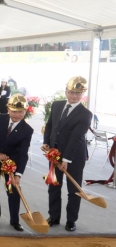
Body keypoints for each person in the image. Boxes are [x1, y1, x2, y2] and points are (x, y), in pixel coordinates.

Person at [43, 76, 92, 232]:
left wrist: (66, 159)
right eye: (71, 92)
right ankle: (54, 216)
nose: (74, 96)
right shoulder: (56, 105)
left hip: (74, 157)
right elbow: (50, 125)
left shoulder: (85, 114)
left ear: (83, 94)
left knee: (74, 189)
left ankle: (71, 220)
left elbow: (76, 138)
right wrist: (47, 143)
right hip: (54, 154)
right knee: (54, 186)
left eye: (78, 93)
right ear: (66, 91)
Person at [0, 94, 33, 231]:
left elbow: (23, 153)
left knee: (14, 190)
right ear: (8, 109)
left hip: (12, 163)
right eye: (14, 111)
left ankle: (14, 220)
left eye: (20, 112)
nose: (17, 115)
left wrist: (18, 174)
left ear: (25, 111)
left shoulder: (27, 130)